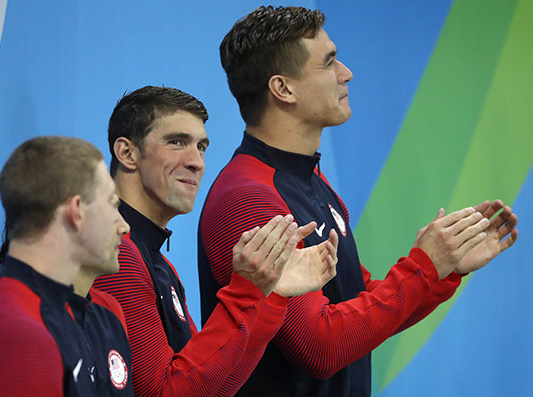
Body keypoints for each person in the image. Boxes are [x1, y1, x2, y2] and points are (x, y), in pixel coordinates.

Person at [197, 6, 519, 397]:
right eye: (329, 62)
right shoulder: (249, 197)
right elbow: (321, 347)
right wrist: (424, 266)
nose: (346, 73)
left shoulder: (312, 182)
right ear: (284, 89)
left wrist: (442, 269)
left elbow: (360, 308)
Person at [93, 85, 338, 396]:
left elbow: (214, 387)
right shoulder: (119, 255)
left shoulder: (156, 262)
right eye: (177, 142)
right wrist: (246, 291)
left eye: (202, 147)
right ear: (127, 153)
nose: (197, 162)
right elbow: (165, 393)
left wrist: (269, 295)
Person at [0, 136, 128, 396]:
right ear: (77, 210)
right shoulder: (16, 335)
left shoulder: (56, 311)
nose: (124, 226)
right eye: (111, 203)